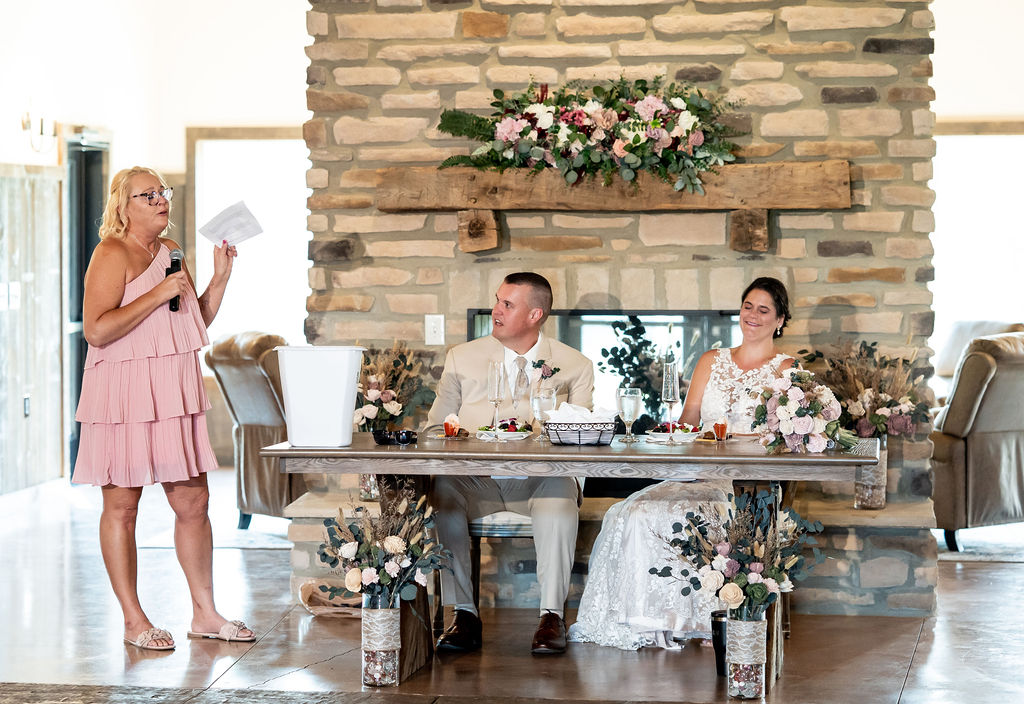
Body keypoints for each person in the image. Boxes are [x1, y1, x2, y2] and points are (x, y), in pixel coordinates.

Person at [73, 166, 253, 651]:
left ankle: (204, 613)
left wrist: (219, 278)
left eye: (162, 192)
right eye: (146, 194)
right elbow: (96, 330)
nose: (158, 200)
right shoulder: (110, 253)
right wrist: (156, 294)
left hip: (172, 389)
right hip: (123, 392)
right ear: (122, 207)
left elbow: (192, 320)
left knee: (194, 501)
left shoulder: (172, 253)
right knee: (123, 506)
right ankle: (134, 621)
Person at [568, 277, 795, 650]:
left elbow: (785, 437)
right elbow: (688, 421)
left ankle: (702, 619)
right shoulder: (711, 359)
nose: (752, 315)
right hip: (695, 471)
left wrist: (737, 440)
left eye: (764, 310)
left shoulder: (786, 367)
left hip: (746, 483)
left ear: (780, 320)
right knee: (634, 511)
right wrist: (666, 430)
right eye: (748, 306)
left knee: (688, 514)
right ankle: (647, 621)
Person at [426, 272, 595, 655]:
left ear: (535, 314)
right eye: (496, 301)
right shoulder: (462, 357)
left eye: (507, 304)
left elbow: (579, 435)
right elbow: (434, 428)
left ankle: (552, 616)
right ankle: (464, 614)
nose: (495, 310)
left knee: (559, 493)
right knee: (443, 492)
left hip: (538, 480)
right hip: (475, 480)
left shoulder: (574, 365)